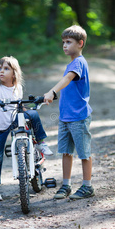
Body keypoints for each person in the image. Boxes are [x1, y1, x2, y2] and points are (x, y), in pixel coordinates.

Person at [0, 56, 53, 201]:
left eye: (6, 69)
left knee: (33, 114)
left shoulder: (18, 88)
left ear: (14, 73)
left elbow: (19, 107)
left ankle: (40, 143)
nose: (1, 71)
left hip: (13, 119)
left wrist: (34, 105)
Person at [44, 25, 94, 200]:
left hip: (79, 117)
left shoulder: (79, 63)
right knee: (66, 152)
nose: (64, 45)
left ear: (80, 43)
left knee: (84, 153)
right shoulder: (71, 63)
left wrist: (52, 91)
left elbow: (67, 79)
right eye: (63, 42)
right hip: (66, 117)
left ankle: (87, 186)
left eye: (68, 42)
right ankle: (66, 185)